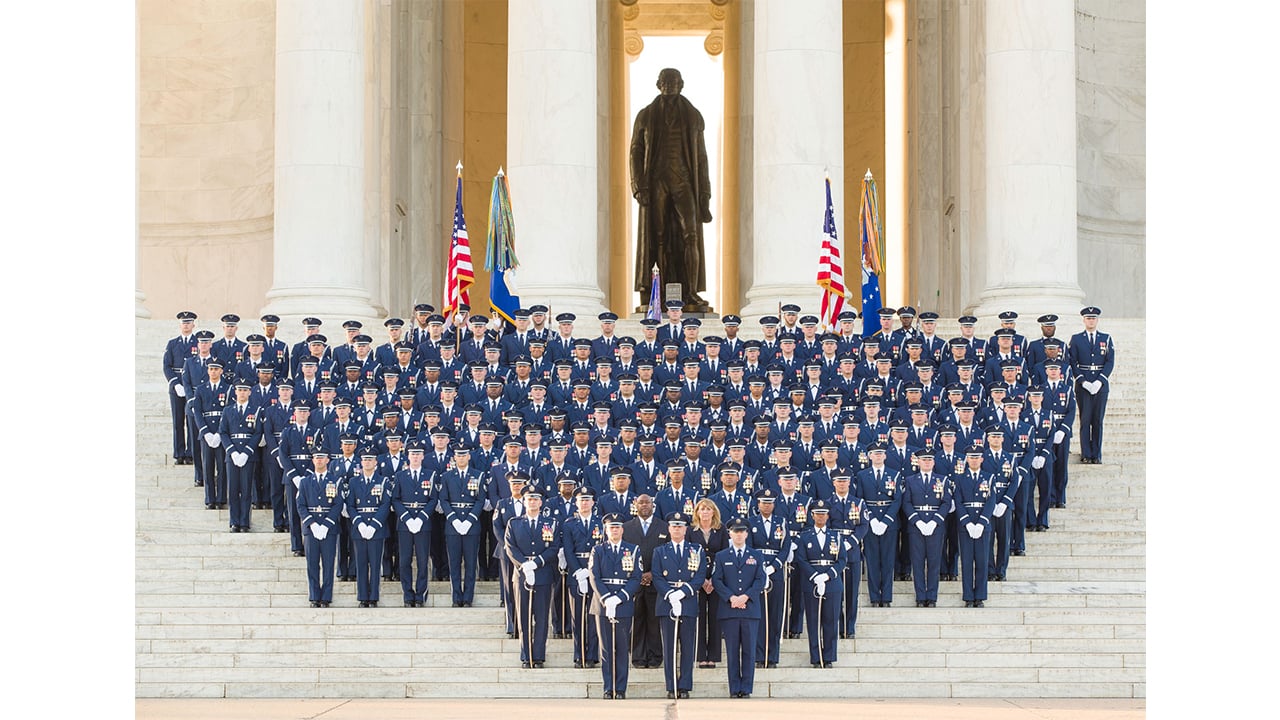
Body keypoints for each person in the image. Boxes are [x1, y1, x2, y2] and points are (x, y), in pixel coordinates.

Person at [630, 67, 713, 311]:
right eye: (665, 81)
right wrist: (637, 184)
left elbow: (701, 157)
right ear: (658, 84)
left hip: (684, 181)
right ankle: (658, 291)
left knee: (691, 235)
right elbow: (636, 151)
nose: (669, 84)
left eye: (674, 81)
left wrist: (705, 196)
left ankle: (689, 291)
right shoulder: (645, 116)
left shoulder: (693, 116)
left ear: (681, 84)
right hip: (656, 181)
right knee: (658, 238)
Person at [504, 486, 561, 669]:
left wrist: (536, 563)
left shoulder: (550, 523)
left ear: (541, 502)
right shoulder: (514, 523)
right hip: (521, 575)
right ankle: (526, 655)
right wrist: (523, 565)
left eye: (536, 499)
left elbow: (553, 547)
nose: (533, 502)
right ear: (523, 501)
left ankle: (538, 657)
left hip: (543, 573)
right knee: (524, 617)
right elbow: (510, 547)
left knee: (542, 617)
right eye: (529, 499)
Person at [711, 519, 767, 698]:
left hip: (750, 609)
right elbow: (717, 580)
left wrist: (746, 596)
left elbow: (761, 580)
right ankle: (734, 688)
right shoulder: (721, 556)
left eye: (742, 531)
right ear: (730, 534)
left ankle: (746, 688)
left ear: (747, 534)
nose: (739, 534)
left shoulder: (756, 555)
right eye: (736, 531)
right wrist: (731, 598)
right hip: (729, 610)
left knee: (749, 651)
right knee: (733, 651)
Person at [652, 511, 705, 699]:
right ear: (669, 528)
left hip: (688, 601)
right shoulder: (660, 551)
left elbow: (699, 576)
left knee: (688, 646)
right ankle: (671, 684)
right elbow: (657, 576)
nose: (677, 529)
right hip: (667, 603)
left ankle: (685, 686)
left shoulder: (696, 550)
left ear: (686, 529)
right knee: (669, 647)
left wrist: (683, 592)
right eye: (674, 526)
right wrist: (670, 595)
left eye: (680, 526)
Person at [590, 514, 643, 699]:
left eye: (617, 527)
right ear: (606, 529)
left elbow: (636, 577)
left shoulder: (633, 550)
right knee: (606, 649)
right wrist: (606, 598)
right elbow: (594, 576)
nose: (614, 530)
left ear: (622, 529)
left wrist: (620, 597)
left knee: (621, 648)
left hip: (624, 603)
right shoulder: (598, 550)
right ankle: (608, 687)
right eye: (611, 527)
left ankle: (620, 688)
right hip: (602, 604)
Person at [794, 500, 847, 668]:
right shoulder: (805, 536)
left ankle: (829, 657)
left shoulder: (836, 536)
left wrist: (828, 576)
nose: (821, 516)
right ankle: (816, 657)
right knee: (813, 621)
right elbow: (801, 559)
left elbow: (842, 560)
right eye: (817, 513)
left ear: (828, 515)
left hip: (832, 583)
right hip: (812, 582)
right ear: (812, 516)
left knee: (831, 620)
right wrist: (816, 576)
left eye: (823, 513)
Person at [621, 494, 669, 669]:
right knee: (637, 619)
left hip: (657, 583)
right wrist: (638, 574)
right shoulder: (626, 528)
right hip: (634, 583)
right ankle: (638, 657)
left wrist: (652, 574)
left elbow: (667, 555)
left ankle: (656, 656)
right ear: (635, 504)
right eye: (640, 502)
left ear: (653, 505)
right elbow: (623, 554)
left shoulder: (664, 527)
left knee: (654, 621)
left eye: (647, 502)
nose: (644, 505)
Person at [746, 490, 791, 667]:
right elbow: (749, 547)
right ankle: (759, 656)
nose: (767, 505)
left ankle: (772, 656)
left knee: (775, 614)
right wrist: (760, 569)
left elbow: (785, 547)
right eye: (763, 502)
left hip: (776, 572)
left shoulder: (781, 522)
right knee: (758, 615)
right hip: (756, 574)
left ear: (774, 504)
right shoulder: (751, 522)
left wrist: (774, 566)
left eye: (770, 502)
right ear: (758, 504)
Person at [901, 448, 951, 607]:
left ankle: (932, 596)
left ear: (934, 462)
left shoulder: (942, 480)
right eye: (924, 460)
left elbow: (946, 502)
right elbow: (906, 503)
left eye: (929, 459)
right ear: (918, 462)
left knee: (934, 562)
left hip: (935, 526)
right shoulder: (910, 480)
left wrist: (935, 521)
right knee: (917, 562)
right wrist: (917, 521)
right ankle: (920, 596)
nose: (927, 462)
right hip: (916, 526)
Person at [439, 443, 486, 607]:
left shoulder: (477, 475)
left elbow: (480, 500)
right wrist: (454, 519)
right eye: (458, 455)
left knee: (471, 563)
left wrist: (469, 520)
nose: (461, 458)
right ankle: (456, 597)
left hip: (471, 525)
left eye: (463, 455)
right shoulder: (446, 476)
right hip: (453, 525)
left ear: (468, 457)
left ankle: (468, 598)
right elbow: (444, 500)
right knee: (454, 563)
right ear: (454, 458)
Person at [296, 444, 343, 607]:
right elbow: (300, 505)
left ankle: (326, 597)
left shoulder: (335, 481)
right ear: (313, 460)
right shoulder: (305, 482)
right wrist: (312, 524)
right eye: (316, 457)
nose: (319, 460)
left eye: (322, 457)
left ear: (328, 460)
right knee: (312, 564)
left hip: (328, 529)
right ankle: (314, 596)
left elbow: (338, 504)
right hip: (311, 529)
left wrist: (326, 524)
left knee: (329, 564)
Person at [391, 440, 436, 607]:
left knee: (423, 560)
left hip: (423, 523)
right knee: (404, 560)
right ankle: (407, 594)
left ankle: (420, 594)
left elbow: (433, 499)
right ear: (408, 456)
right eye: (412, 454)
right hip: (405, 524)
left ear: (423, 456)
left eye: (418, 454)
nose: (415, 457)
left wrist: (421, 517)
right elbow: (395, 499)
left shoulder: (430, 475)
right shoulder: (400, 476)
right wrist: (407, 518)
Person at [563, 487, 603, 669]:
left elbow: (603, 550)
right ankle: (579, 654)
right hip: (577, 574)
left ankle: (593, 655)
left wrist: (591, 570)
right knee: (577, 616)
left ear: (593, 502)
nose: (585, 503)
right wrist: (578, 571)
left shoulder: (601, 523)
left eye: (588, 500)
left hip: (596, 574)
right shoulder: (569, 524)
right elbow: (568, 550)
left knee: (593, 615)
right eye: (581, 500)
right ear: (576, 503)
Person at [1069, 306, 1114, 464]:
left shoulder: (1106, 338)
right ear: (1084, 320)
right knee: (1085, 419)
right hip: (1084, 385)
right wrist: (1082, 380)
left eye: (1093, 318)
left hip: (1100, 385)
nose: (1091, 321)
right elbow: (1073, 361)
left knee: (1097, 420)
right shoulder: (1076, 339)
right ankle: (1086, 454)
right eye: (1088, 318)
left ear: (1097, 320)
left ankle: (1097, 454)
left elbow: (1110, 361)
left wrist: (1100, 380)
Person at [347, 447, 391, 608]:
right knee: (361, 563)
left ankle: (373, 597)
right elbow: (350, 506)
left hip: (376, 528)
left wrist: (373, 525)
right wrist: (359, 523)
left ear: (376, 463)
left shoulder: (383, 481)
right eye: (365, 460)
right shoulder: (353, 482)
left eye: (370, 459)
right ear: (361, 462)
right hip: (359, 528)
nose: (367, 462)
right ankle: (362, 597)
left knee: (375, 562)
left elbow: (385, 504)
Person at [219, 378, 263, 533]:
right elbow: (223, 432)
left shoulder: (256, 410)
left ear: (250, 392)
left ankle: (245, 522)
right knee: (232, 490)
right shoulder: (228, 410)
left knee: (246, 490)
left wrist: (246, 452)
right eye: (240, 390)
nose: (242, 393)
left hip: (248, 455)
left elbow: (258, 432)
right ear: (235, 392)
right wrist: (231, 451)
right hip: (232, 456)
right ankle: (234, 521)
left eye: (245, 390)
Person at [955, 445, 997, 607]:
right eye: (971, 457)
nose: (973, 460)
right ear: (967, 459)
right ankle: (968, 596)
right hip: (965, 525)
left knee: (981, 561)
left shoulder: (989, 477)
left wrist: (981, 522)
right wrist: (966, 522)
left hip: (982, 525)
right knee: (966, 561)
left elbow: (991, 501)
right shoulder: (960, 478)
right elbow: (958, 501)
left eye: (976, 457)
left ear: (982, 459)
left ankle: (979, 596)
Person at [688, 498, 726, 668]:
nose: (705, 512)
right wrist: (701, 580)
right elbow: (687, 556)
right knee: (700, 617)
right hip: (697, 579)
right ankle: (701, 655)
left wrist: (713, 579)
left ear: (713, 512)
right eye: (702, 509)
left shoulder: (721, 530)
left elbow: (725, 556)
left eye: (708, 509)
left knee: (715, 618)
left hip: (716, 579)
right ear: (697, 512)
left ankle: (713, 656)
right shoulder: (690, 531)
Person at [163, 311, 198, 466]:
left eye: (189, 322)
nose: (186, 325)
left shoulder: (199, 342)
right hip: (177, 387)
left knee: (192, 420)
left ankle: (191, 452)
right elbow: (167, 365)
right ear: (180, 325)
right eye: (184, 322)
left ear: (193, 325)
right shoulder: (172, 343)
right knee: (178, 421)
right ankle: (178, 453)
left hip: (192, 386)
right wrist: (175, 383)